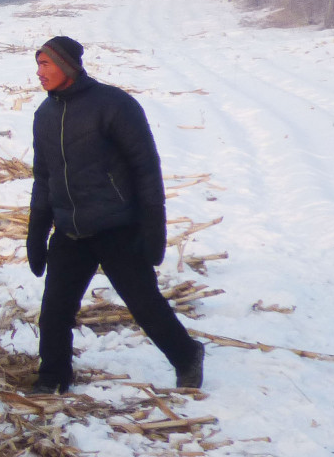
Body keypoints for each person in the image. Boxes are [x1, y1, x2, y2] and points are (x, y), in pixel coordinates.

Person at [26, 34, 203, 395]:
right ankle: (52, 378)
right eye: (38, 65)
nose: (39, 73)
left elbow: (146, 169)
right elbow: (43, 177)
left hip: (117, 227)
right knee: (54, 311)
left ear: (66, 66)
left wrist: (153, 228)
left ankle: (187, 356)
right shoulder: (44, 115)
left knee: (144, 304)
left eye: (45, 64)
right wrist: (37, 231)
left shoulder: (114, 105)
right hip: (71, 231)